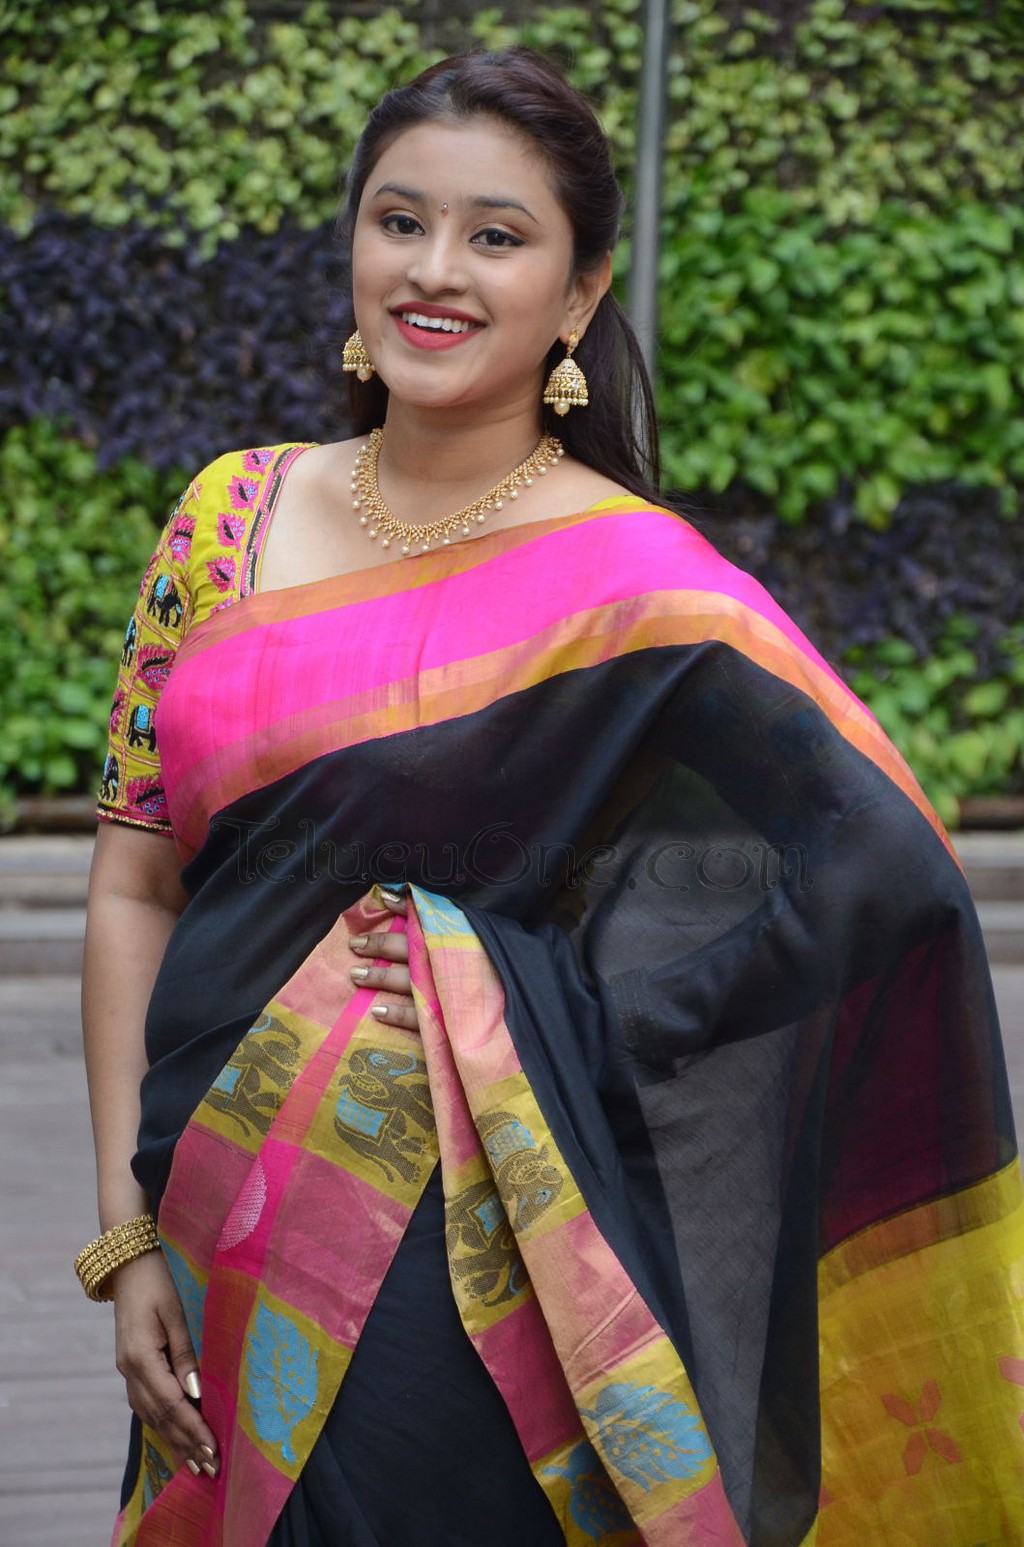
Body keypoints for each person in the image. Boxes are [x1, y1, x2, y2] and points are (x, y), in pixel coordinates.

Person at [79, 46, 1024, 1547]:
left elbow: (877, 865)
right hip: (198, 1209)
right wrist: (126, 1235)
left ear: (579, 296)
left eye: (496, 236)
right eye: (400, 221)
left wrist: (551, 1000)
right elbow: (136, 878)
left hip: (445, 1250)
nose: (433, 271)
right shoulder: (227, 515)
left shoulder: (631, 578)